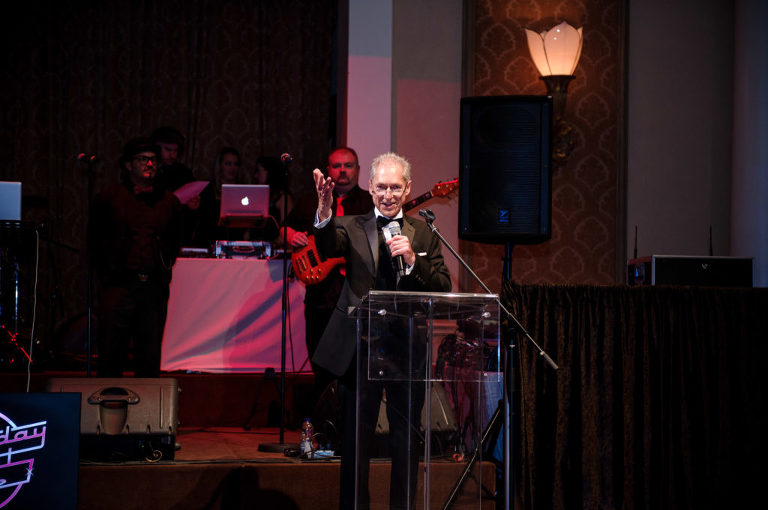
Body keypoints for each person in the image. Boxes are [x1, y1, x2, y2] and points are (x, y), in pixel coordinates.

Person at [311, 152, 451, 510]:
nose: (388, 195)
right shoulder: (351, 226)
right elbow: (326, 247)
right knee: (356, 443)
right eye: (382, 187)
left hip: (407, 351)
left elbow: (442, 286)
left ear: (408, 189)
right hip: (360, 350)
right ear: (371, 188)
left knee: (406, 441)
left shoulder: (424, 233)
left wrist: (413, 261)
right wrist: (325, 211)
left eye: (395, 188)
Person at [283, 147, 373, 405]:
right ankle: (325, 420)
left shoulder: (369, 204)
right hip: (320, 299)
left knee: (354, 367)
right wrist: (291, 235)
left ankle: (351, 422)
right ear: (328, 170)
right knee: (320, 363)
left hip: (356, 299)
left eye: (348, 165)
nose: (342, 171)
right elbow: (285, 227)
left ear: (358, 170)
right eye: (337, 166)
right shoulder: (308, 202)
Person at [88, 137, 184, 377]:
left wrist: (163, 266)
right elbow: (95, 239)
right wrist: (106, 276)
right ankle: (107, 400)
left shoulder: (168, 201)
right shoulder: (110, 198)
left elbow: (176, 239)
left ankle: (147, 402)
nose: (149, 164)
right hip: (119, 286)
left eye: (153, 160)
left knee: (149, 358)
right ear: (128, 165)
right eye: (142, 159)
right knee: (111, 355)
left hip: (153, 288)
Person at [151, 126, 208, 246]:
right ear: (156, 147)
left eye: (175, 151)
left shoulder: (183, 172)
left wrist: (193, 205)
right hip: (151, 230)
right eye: (168, 149)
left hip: (176, 233)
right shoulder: (148, 171)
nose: (172, 155)